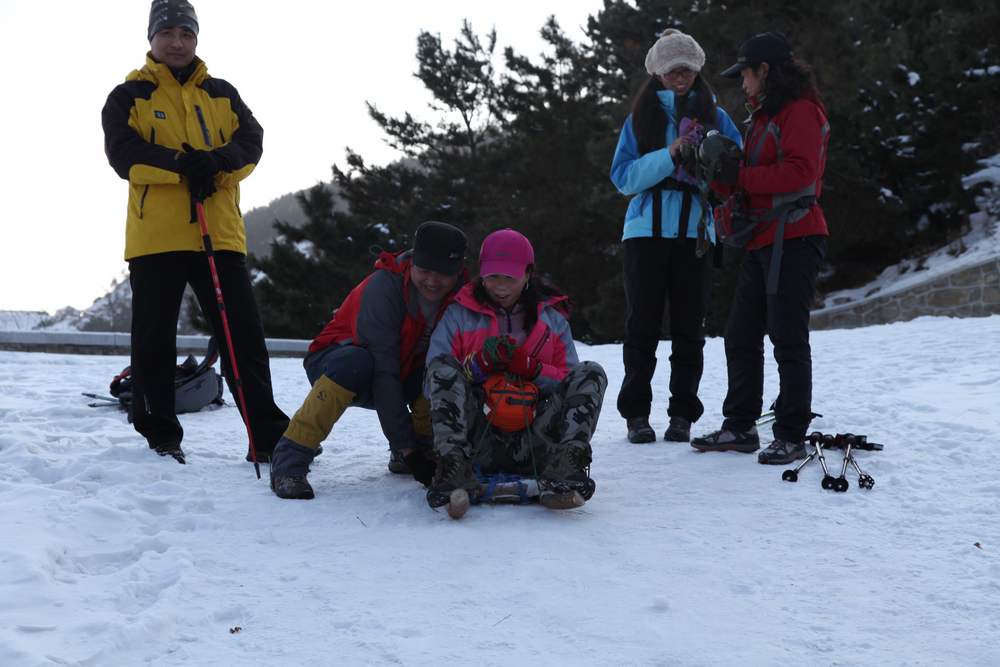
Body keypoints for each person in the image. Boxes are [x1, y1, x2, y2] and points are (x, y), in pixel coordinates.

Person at [101, 0, 288, 464]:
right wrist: (182, 165)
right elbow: (125, 155)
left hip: (218, 235)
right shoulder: (128, 96)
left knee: (243, 337)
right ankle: (160, 434)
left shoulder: (222, 92)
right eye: (167, 34)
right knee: (153, 341)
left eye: (186, 33)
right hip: (156, 238)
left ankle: (267, 436)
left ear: (196, 39)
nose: (177, 42)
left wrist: (218, 163)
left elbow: (251, 142)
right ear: (152, 39)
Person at [691, 32, 830, 464]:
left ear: (765, 71)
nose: (742, 83)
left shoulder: (800, 111)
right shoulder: (762, 118)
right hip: (764, 238)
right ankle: (740, 426)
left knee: (788, 336)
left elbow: (800, 174)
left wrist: (741, 177)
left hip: (797, 235)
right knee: (740, 335)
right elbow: (743, 182)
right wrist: (714, 170)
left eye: (746, 74)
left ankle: (791, 433)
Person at [269, 221, 468, 499]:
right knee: (357, 361)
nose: (432, 281)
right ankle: (289, 461)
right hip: (339, 364)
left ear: (458, 272)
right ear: (412, 263)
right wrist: (409, 452)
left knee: (443, 367)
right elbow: (383, 372)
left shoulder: (464, 297)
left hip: (402, 369)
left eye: (443, 274)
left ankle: (424, 447)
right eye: (424, 271)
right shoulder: (384, 289)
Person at [610, 30, 742, 445]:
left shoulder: (716, 116)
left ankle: (682, 414)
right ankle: (637, 416)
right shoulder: (640, 119)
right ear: (657, 73)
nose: (678, 76)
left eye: (685, 68)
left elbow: (737, 168)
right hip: (645, 231)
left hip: (695, 232)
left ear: (696, 69)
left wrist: (712, 160)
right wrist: (670, 154)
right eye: (671, 69)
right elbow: (624, 178)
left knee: (689, 327)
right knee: (642, 326)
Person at [423, 229, 608, 517]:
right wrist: (477, 367)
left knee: (591, 372)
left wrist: (533, 370)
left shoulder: (552, 319)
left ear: (528, 274)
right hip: (477, 437)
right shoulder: (458, 314)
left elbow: (571, 381)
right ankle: (454, 467)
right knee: (444, 367)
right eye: (492, 276)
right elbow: (433, 379)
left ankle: (566, 465)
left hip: (537, 437)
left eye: (509, 277)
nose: (500, 286)